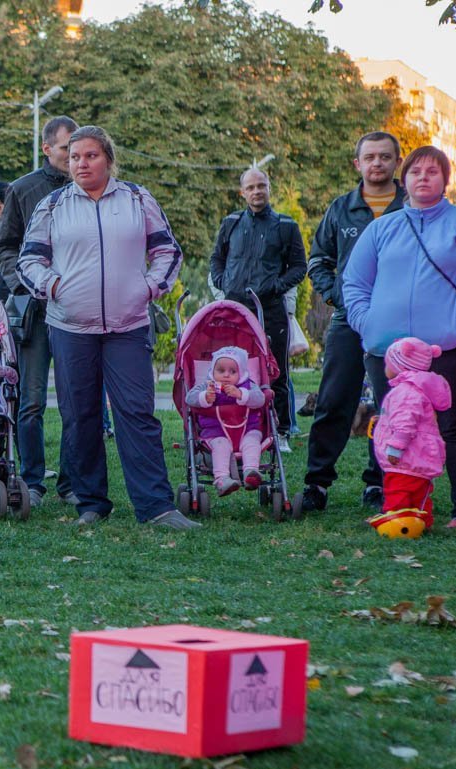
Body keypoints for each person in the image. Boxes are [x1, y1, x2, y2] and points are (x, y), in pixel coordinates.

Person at [17, 125, 197, 530]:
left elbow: (167, 249)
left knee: (137, 412)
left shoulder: (136, 198)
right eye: (75, 156)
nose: (81, 163)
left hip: (128, 325)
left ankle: (156, 507)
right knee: (80, 416)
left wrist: (150, 288)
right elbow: (29, 260)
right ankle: (91, 503)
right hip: (69, 327)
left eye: (91, 155)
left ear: (108, 159)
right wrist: (53, 286)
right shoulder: (53, 205)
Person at [344, 145, 456, 527]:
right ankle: (399, 505)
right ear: (404, 179)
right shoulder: (382, 228)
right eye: (415, 172)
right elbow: (355, 282)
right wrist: (368, 322)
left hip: (447, 347)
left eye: (432, 172)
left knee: (454, 428)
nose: (423, 178)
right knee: (396, 427)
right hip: (388, 353)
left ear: (445, 179)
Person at [302, 131, 406, 513]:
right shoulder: (340, 208)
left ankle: (379, 483)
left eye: (384, 157)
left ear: (397, 162)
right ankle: (317, 483)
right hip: (350, 319)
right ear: (357, 164)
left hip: (399, 323)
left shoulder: (410, 207)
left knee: (392, 404)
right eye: (370, 157)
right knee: (333, 401)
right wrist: (340, 297)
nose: (377, 163)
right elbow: (319, 261)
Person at [0, 115, 79, 509]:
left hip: (80, 310)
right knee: (30, 401)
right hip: (35, 311)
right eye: (66, 149)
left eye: (78, 150)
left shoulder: (90, 188)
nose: (73, 157)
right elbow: (4, 245)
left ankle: (72, 481)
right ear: (47, 148)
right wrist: (22, 283)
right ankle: (33, 482)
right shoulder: (23, 190)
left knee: (77, 399)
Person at [209, 168, 307, 453]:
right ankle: (235, 428)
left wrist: (275, 286)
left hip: (271, 310)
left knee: (276, 371)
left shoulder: (285, 225)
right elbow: (217, 259)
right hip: (235, 310)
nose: (256, 191)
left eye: (261, 186)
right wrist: (224, 282)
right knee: (232, 369)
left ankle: (282, 432)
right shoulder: (231, 223)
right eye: (250, 187)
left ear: (269, 187)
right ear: (242, 192)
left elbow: (299, 267)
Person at [368, 337, 450, 534]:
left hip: (405, 460)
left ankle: (395, 523)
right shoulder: (416, 390)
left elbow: (405, 423)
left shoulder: (405, 392)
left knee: (398, 492)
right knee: (420, 494)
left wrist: (395, 448)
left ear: (399, 367)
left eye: (387, 363)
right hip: (420, 459)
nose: (384, 368)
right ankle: (422, 521)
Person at [184, 346, 266, 496]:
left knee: (252, 442)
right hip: (216, 432)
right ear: (213, 371)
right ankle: (222, 479)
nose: (226, 375)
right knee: (221, 447)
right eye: (221, 371)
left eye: (232, 371)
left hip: (246, 429)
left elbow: (260, 399)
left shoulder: (248, 385)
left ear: (240, 373)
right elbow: (189, 398)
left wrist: (241, 394)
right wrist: (204, 397)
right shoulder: (207, 386)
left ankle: (251, 472)